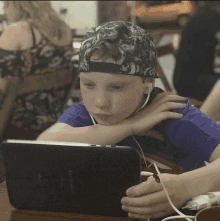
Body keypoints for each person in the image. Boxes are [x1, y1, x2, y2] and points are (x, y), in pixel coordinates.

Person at [37, 21, 220, 220]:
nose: (100, 103)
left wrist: (184, 187)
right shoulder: (83, 114)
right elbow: (42, 148)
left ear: (147, 84)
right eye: (88, 84)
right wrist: (128, 126)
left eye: (116, 87)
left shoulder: (173, 115)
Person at [0, 1, 74, 140]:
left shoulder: (17, 30)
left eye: (6, 5)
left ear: (17, 5)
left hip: (14, 127)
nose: (5, 11)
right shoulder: (63, 29)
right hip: (53, 123)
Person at [173, 2, 220, 102]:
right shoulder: (210, 17)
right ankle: (204, 116)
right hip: (190, 83)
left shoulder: (205, 13)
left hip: (192, 78)